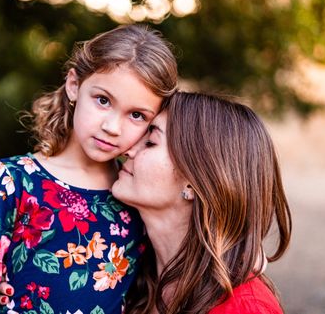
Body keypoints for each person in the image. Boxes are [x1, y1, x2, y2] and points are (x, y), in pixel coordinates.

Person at [0, 25, 179, 314]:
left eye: (136, 115)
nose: (112, 127)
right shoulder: (15, 180)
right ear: (74, 85)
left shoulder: (136, 195)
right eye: (103, 100)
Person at [111, 92, 292, 314]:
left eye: (150, 142)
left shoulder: (244, 308)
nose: (128, 150)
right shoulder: (129, 269)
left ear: (193, 184)